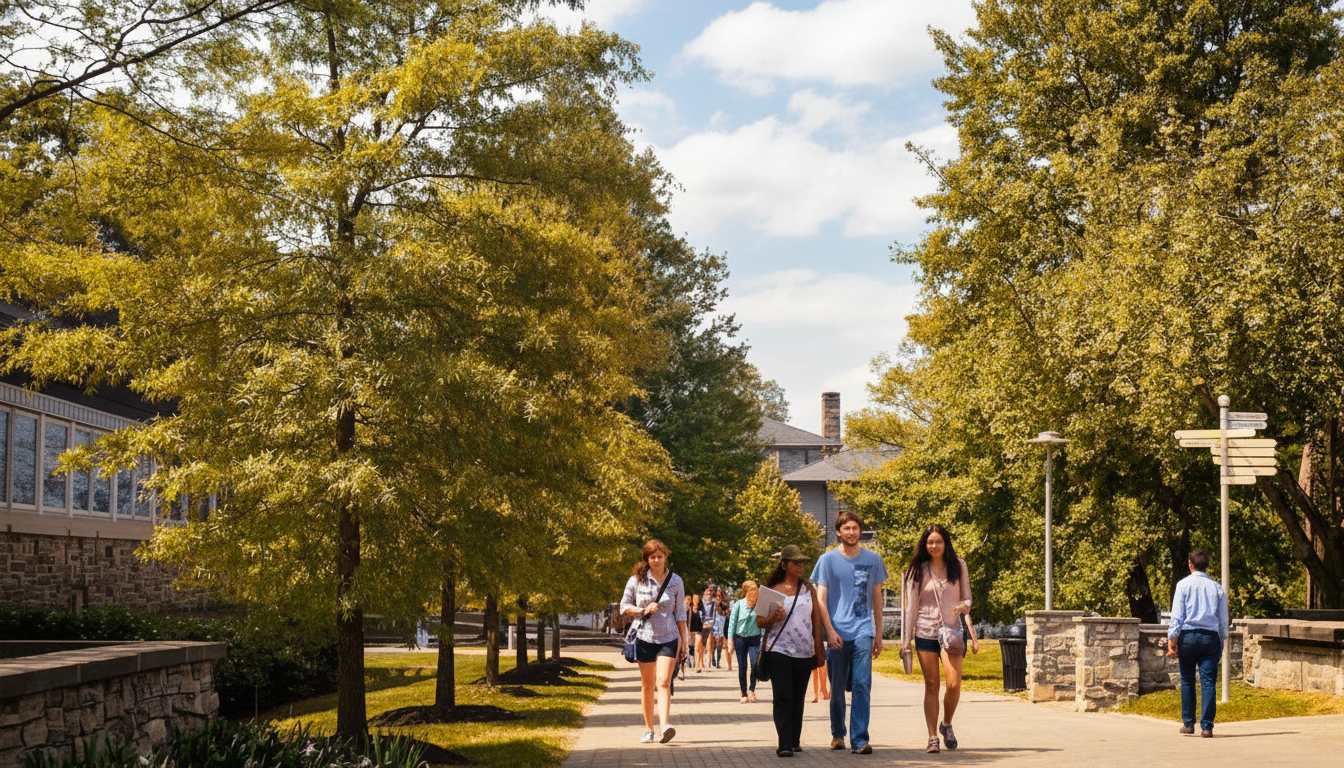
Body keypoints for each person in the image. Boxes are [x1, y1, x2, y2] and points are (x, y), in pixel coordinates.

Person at [812, 511, 886, 754]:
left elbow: (877, 598)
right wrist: (829, 632)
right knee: (837, 689)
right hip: (838, 633)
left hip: (864, 629)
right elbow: (820, 600)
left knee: (862, 684)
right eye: (847, 528)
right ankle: (837, 733)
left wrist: (878, 633)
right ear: (838, 532)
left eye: (855, 528)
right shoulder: (827, 560)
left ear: (860, 531)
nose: (851, 532)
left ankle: (860, 739)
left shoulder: (874, 560)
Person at [900, 524, 972, 754]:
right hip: (925, 631)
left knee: (953, 683)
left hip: (951, 632)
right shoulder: (917, 570)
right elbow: (911, 608)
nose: (934, 546)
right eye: (930, 542)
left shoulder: (959, 566)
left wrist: (964, 606)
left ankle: (946, 723)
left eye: (938, 541)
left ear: (945, 543)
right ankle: (932, 737)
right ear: (925, 544)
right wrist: (906, 642)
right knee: (931, 685)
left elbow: (968, 597)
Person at [757, 545, 826, 758]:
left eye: (803, 562)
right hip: (779, 650)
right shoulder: (771, 590)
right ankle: (784, 744)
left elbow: (816, 620)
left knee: (798, 697)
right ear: (785, 565)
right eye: (796, 563)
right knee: (783, 697)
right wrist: (772, 619)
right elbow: (759, 622)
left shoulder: (808, 589)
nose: (801, 566)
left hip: (804, 651)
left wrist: (819, 645)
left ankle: (794, 740)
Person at [620, 539, 687, 744]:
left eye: (660, 556)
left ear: (666, 557)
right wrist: (641, 610)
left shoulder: (676, 581)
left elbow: (680, 612)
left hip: (669, 636)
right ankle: (649, 729)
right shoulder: (636, 580)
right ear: (646, 559)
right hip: (644, 637)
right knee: (648, 684)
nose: (656, 560)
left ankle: (665, 725)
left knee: (664, 682)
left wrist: (685, 641)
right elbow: (624, 606)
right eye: (652, 557)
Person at [1167, 549, 1229, 738]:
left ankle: (1188, 723)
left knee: (1187, 680)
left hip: (1188, 636)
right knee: (1208, 682)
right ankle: (1207, 726)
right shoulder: (1217, 587)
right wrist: (1221, 640)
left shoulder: (1183, 585)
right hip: (1210, 637)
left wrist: (1172, 640)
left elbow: (1177, 616)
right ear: (1206, 565)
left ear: (1190, 564)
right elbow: (1223, 620)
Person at [728, 580, 763, 702]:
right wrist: (730, 642)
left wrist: (763, 639)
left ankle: (752, 689)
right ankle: (743, 692)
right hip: (740, 638)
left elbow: (762, 623)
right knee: (742, 666)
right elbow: (732, 623)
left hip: (754, 638)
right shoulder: (739, 604)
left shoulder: (759, 605)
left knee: (754, 664)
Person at [698, 586, 718, 670]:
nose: (709, 593)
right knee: (701, 644)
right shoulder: (700, 602)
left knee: (710, 643)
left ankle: (709, 663)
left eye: (710, 592)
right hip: (702, 625)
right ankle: (701, 662)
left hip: (710, 624)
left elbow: (715, 615)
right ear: (704, 593)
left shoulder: (714, 603)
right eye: (707, 591)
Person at [686, 594, 703, 671]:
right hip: (691, 631)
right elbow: (688, 622)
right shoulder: (690, 610)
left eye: (697, 599)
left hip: (699, 631)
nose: (696, 600)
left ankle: (697, 666)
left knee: (697, 648)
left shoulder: (701, 609)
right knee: (691, 649)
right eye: (695, 599)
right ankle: (692, 664)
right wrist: (688, 632)